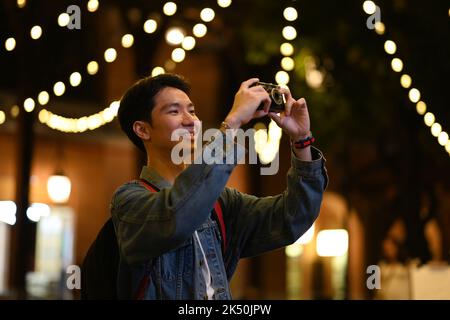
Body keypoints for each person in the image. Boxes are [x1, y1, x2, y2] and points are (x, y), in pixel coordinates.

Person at [111, 73, 328, 299]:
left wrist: (302, 140)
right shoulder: (129, 200)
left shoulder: (221, 203)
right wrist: (232, 123)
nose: (190, 121)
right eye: (174, 111)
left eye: (192, 111)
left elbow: (291, 218)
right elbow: (177, 215)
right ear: (142, 130)